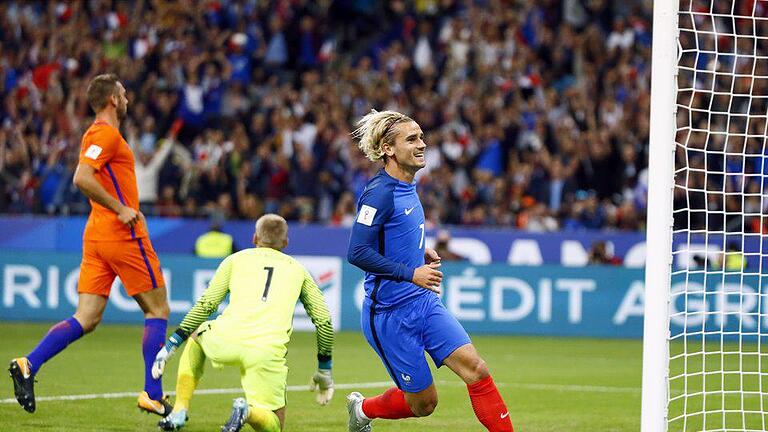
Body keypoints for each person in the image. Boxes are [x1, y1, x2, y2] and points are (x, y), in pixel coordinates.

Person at [8, 74, 173, 416]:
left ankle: (29, 363)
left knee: (87, 316)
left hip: (97, 236)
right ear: (113, 98)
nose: (128, 99)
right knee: (157, 310)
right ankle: (153, 394)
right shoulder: (106, 134)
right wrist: (122, 208)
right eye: (124, 93)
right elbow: (82, 177)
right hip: (121, 233)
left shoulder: (96, 134)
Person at [345, 110, 513, 432]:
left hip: (423, 302)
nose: (422, 144)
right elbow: (357, 251)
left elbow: (390, 234)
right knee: (424, 404)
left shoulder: (409, 185)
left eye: (421, 137)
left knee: (476, 369)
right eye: (412, 139)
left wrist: (414, 252)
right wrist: (411, 273)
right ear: (387, 149)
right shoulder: (379, 193)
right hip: (389, 314)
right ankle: (363, 409)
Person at [151, 214, 335, 432]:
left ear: (254, 237)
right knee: (274, 425)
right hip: (266, 352)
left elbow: (206, 305)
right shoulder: (299, 270)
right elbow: (324, 321)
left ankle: (179, 410)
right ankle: (247, 411)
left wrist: (172, 344)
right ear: (286, 242)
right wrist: (324, 369)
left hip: (225, 339)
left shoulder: (235, 260)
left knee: (197, 336)